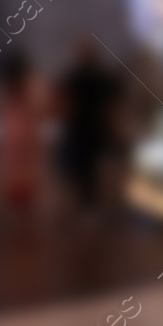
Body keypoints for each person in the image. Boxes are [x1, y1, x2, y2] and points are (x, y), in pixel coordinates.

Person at [55, 37, 122, 208]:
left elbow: (112, 104)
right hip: (84, 130)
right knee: (85, 171)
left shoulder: (95, 78)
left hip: (91, 130)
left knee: (91, 170)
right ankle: (88, 203)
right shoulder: (79, 77)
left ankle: (90, 203)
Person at [0, 54, 46, 212]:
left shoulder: (5, 87)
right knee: (28, 170)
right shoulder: (31, 84)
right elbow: (40, 107)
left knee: (12, 170)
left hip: (10, 133)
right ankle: (24, 206)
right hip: (28, 132)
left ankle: (15, 205)